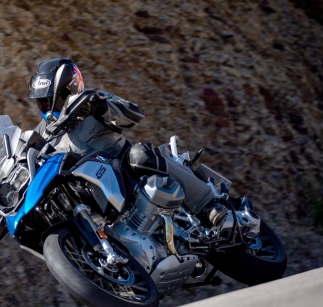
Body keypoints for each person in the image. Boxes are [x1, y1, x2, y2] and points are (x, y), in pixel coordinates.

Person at [27, 57, 227, 227]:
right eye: (41, 101)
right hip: (91, 193)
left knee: (140, 155)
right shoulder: (42, 133)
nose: (45, 106)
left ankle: (206, 204)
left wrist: (101, 107)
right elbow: (26, 157)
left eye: (49, 99)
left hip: (126, 172)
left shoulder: (92, 99)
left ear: (67, 90)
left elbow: (134, 113)